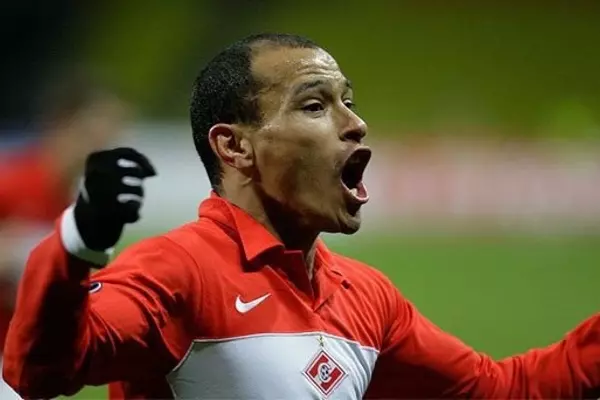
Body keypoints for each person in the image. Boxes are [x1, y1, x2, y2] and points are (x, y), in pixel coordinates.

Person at [2, 33, 599, 399]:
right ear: (235, 147)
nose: (355, 123)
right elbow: (39, 371)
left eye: (349, 102)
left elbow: (506, 388)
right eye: (315, 105)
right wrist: (78, 243)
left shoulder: (368, 299)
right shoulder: (176, 271)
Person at [0, 72, 127, 399]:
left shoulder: (73, 207)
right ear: (61, 125)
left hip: (18, 364)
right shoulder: (11, 183)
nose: (103, 148)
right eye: (94, 135)